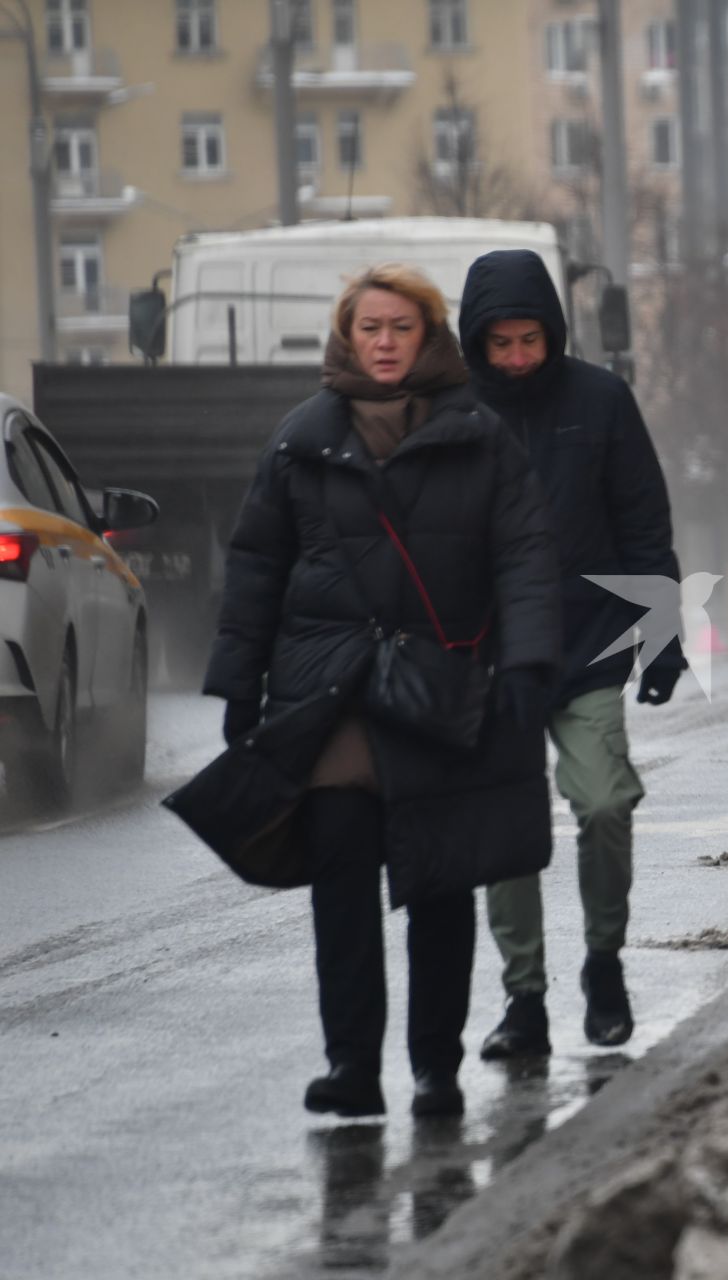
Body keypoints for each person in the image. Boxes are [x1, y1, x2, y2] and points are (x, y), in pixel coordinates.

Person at [199, 264, 561, 1119]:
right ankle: (352, 1067)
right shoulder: (302, 438)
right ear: (347, 335)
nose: (387, 343)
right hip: (329, 697)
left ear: (429, 334)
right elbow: (256, 567)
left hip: (438, 692)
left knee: (440, 882)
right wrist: (237, 685)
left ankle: (435, 1067)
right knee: (341, 884)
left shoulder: (478, 434)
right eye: (371, 328)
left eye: (403, 327)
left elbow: (523, 555)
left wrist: (528, 665)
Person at [455, 249, 685, 1061]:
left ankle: (604, 963)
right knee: (508, 834)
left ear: (553, 331)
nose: (518, 358)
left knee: (603, 805)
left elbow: (642, 522)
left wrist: (660, 640)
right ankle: (524, 1000)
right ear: (475, 342)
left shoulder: (601, 400)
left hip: (588, 644)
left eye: (530, 340)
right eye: (501, 344)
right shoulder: (452, 414)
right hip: (488, 661)